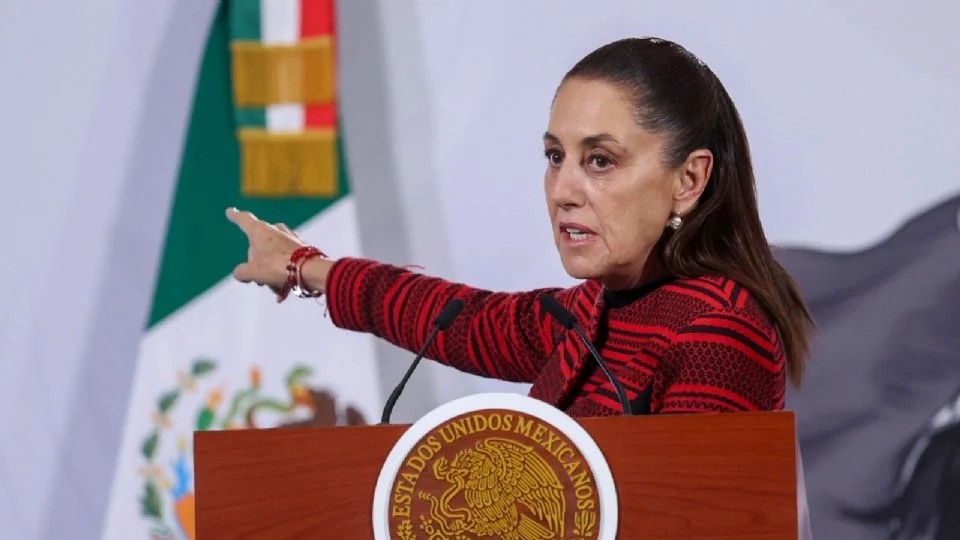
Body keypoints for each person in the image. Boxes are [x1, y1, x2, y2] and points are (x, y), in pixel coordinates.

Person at [225, 37, 814, 417]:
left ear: (688, 179)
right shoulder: (594, 311)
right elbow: (459, 319)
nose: (562, 191)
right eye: (556, 156)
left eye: (600, 161)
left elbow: (687, 517)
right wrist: (305, 266)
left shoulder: (716, 329)